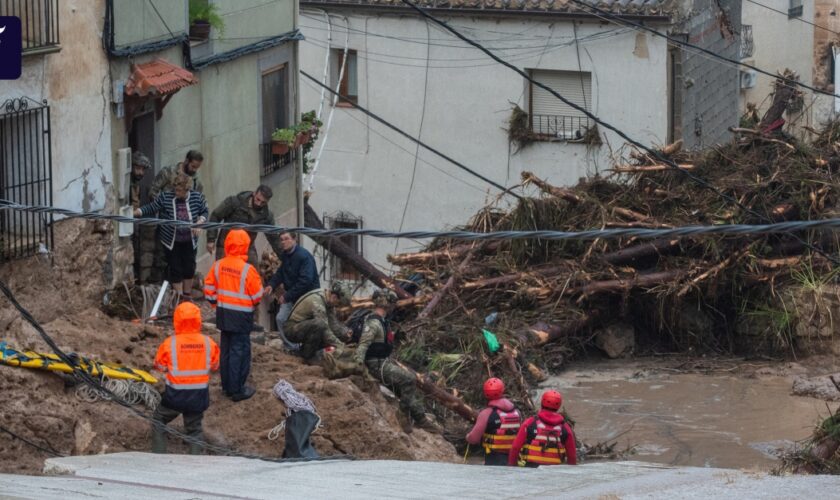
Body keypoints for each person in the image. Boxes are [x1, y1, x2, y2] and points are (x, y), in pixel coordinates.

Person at [353, 288, 441, 433]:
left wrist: (396, 337)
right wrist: (358, 368)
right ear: (386, 303)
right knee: (408, 379)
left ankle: (421, 419)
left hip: (383, 362)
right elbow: (363, 345)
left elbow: (381, 341)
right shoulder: (373, 323)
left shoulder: (382, 321)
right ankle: (403, 416)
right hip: (376, 365)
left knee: (407, 388)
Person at [151, 302, 220, 455]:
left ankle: (157, 458)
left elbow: (159, 366)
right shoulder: (208, 343)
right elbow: (215, 366)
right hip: (198, 396)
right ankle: (195, 463)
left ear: (177, 320)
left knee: (158, 420)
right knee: (194, 429)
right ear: (198, 320)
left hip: (175, 395)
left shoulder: (170, 343)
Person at [203, 229, 264, 402]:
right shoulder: (247, 270)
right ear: (245, 246)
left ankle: (226, 386)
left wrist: (216, 303)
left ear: (228, 244)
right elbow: (257, 295)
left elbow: (208, 289)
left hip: (223, 313)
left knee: (227, 350)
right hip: (242, 315)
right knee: (240, 351)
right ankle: (237, 390)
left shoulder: (218, 265)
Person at [135, 172, 209, 299]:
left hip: (189, 240)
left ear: (187, 190)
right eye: (175, 190)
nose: (177, 193)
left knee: (189, 268)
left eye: (180, 191)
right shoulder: (166, 197)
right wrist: (138, 212)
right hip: (172, 241)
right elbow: (152, 207)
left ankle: (187, 295)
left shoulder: (197, 197)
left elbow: (205, 211)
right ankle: (179, 298)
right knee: (176, 269)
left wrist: (199, 223)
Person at [263, 231, 320, 341]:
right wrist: (271, 285)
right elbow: (281, 272)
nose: (283, 242)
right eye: (282, 239)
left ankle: (306, 349)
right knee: (281, 319)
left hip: (307, 297)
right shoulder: (286, 255)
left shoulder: (304, 256)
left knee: (305, 324)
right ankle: (291, 347)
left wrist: (287, 296)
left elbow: (306, 281)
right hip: (292, 296)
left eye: (286, 239)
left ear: (294, 239)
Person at [206, 185, 283, 264]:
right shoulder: (234, 202)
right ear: (254, 193)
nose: (259, 204)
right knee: (224, 271)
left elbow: (274, 238)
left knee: (253, 272)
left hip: (247, 247)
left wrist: (285, 257)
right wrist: (211, 239)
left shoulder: (266, 216)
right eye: (258, 199)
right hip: (226, 245)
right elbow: (216, 215)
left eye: (263, 202)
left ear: (267, 201)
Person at [283, 281, 351, 362]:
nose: (338, 307)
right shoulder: (317, 300)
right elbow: (325, 329)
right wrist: (340, 345)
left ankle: (305, 352)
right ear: (334, 297)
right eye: (338, 304)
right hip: (291, 329)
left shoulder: (329, 301)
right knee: (320, 326)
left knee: (335, 333)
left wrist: (345, 333)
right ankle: (305, 356)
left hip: (305, 327)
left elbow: (334, 325)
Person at [508, 390, 577, 467]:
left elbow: (515, 448)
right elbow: (572, 456)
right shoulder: (565, 427)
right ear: (559, 405)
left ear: (542, 403)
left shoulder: (530, 422)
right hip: (555, 473)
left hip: (530, 470)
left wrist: (512, 467)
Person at [465, 378, 522, 465]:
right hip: (514, 459)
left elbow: (473, 439)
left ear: (485, 393)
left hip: (494, 459)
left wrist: (468, 437)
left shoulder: (486, 413)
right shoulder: (517, 412)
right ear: (502, 390)